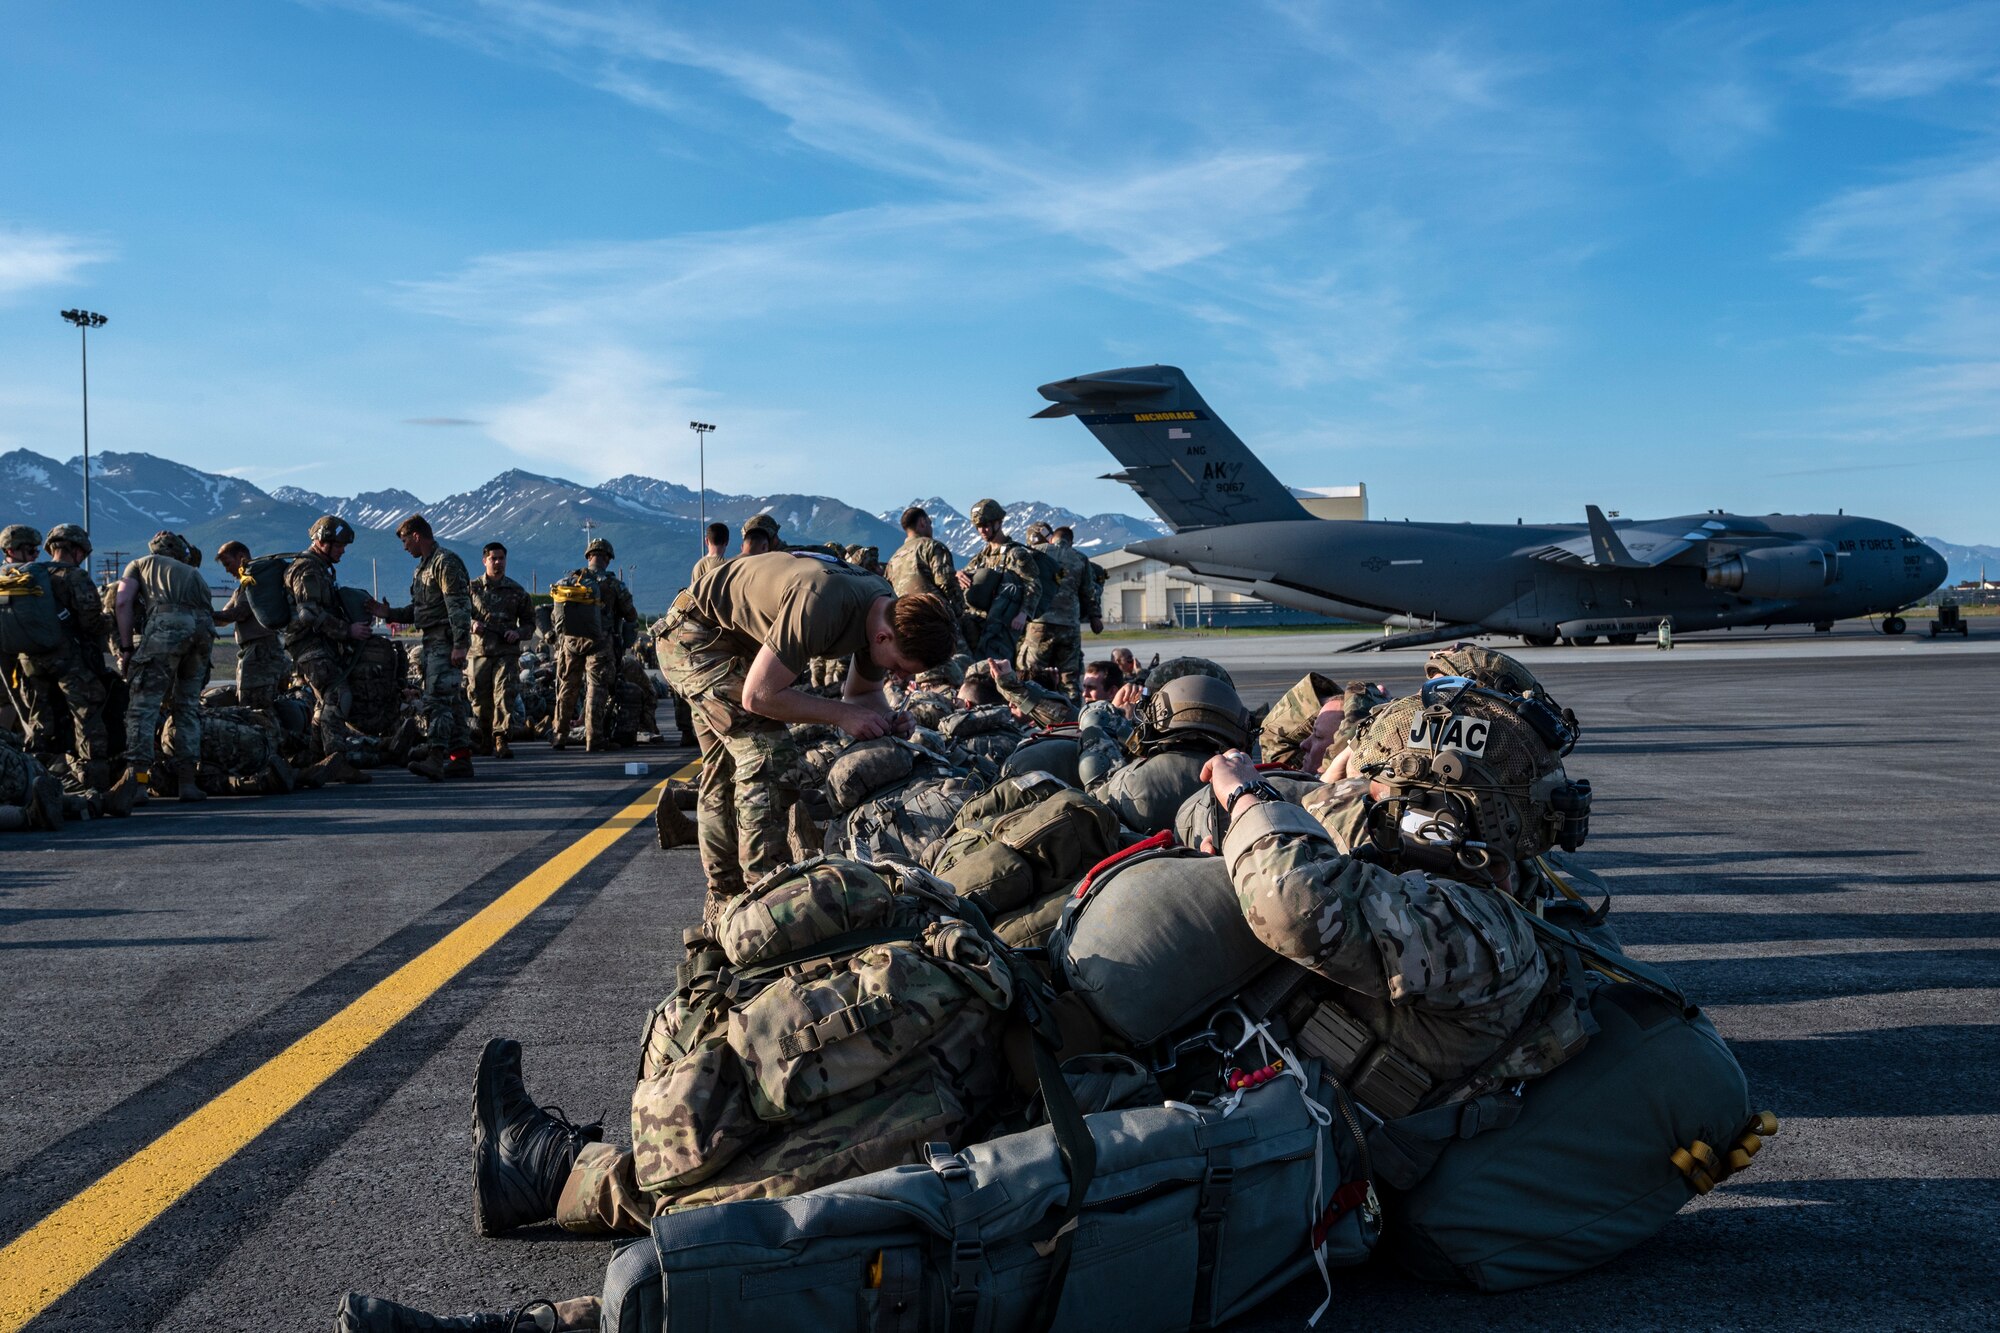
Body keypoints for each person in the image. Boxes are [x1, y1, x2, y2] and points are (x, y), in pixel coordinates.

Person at [1200, 679, 1594, 1158]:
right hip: (1318, 1113)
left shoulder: (1475, 925)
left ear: (1431, 817)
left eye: (1383, 792)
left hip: (1350, 1150)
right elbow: (1325, 812)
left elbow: (1294, 905)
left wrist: (1245, 795)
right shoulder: (1470, 881)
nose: (1371, 800)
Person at [658, 551, 957, 926]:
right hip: (694, 639)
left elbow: (861, 695)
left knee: (724, 767)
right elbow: (759, 696)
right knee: (767, 752)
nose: (894, 675)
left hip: (736, 643)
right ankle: (764, 899)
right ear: (884, 636)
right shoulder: (823, 602)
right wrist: (843, 716)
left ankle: (724, 897)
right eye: (896, 666)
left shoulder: (882, 605)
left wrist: (887, 719)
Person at [4, 524, 114, 794]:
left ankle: (39, 778)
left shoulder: (34, 574)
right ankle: (94, 781)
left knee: (40, 718)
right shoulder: (74, 576)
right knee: (86, 714)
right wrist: (110, 621)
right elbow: (90, 622)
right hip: (67, 660)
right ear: (77, 550)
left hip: (29, 660)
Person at [108, 532, 216, 806]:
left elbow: (122, 602)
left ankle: (139, 784)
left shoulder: (141, 564)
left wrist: (126, 647)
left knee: (143, 707)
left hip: (167, 627)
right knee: (188, 708)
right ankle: (188, 783)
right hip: (203, 632)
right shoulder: (193, 573)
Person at [372, 515, 476, 781]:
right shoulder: (422, 569)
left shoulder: (445, 563)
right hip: (432, 640)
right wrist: (389, 613)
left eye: (406, 541)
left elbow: (459, 605)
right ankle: (460, 759)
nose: (405, 547)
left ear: (417, 536)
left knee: (437, 702)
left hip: (446, 640)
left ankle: (436, 758)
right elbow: (420, 611)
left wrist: (461, 644)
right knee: (451, 703)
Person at [283, 516, 376, 760]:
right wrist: (348, 630)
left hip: (318, 643)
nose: (343, 550)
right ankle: (336, 757)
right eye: (339, 545)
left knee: (324, 702)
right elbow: (309, 613)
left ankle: (315, 756)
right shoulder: (307, 569)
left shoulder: (321, 568)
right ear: (323, 541)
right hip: (308, 644)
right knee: (338, 694)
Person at [549, 539, 638, 752]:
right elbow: (630, 614)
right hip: (600, 641)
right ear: (607, 558)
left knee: (567, 687)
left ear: (589, 556)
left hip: (571, 642)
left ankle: (559, 735)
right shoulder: (614, 584)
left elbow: (556, 615)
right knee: (596, 689)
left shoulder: (571, 580)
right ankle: (593, 738)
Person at [467, 541, 532, 759]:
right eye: (493, 558)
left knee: (504, 694)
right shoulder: (472, 588)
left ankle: (501, 739)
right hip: (479, 651)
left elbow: (529, 624)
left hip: (506, 651)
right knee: (479, 698)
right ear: (484, 561)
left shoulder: (516, 591)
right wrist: (471, 624)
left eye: (501, 558)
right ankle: (485, 739)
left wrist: (519, 633)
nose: (498, 563)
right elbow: (457, 614)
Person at [956, 498, 1042, 663]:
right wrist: (958, 574)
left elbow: (1033, 584)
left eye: (986, 525)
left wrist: (1023, 614)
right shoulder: (983, 555)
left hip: (1002, 625)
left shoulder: (1015, 554)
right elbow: (967, 573)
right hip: (981, 623)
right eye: (978, 527)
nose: (982, 530)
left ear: (999, 523)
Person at [211, 541, 293, 712]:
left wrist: (200, 614)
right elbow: (223, 618)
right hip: (256, 651)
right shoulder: (242, 588)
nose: (227, 570)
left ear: (241, 557)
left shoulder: (255, 583)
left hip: (261, 652)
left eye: (228, 563)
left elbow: (237, 613)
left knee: (255, 709)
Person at [885, 506, 967, 646]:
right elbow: (946, 582)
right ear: (922, 522)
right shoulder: (932, 547)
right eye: (929, 522)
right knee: (960, 661)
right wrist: (959, 611)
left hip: (907, 623)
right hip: (936, 617)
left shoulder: (893, 560)